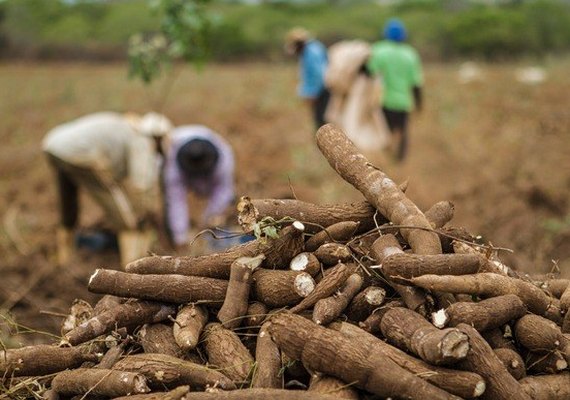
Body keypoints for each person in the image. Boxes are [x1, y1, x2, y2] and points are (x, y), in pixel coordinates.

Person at [43, 111, 172, 266]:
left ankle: (64, 259)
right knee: (125, 218)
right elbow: (142, 184)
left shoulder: (123, 127)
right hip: (81, 155)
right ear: (158, 137)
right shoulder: (141, 139)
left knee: (68, 204)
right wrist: (150, 212)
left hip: (53, 146)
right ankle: (131, 267)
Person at [162, 125, 235, 251]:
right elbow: (176, 201)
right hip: (178, 156)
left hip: (213, 163)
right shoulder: (172, 163)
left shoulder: (224, 158)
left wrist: (207, 221)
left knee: (219, 220)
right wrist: (180, 237)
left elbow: (223, 192)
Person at [367, 18, 423, 161]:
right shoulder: (411, 54)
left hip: (384, 101)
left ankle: (385, 162)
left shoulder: (378, 50)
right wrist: (419, 104)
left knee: (384, 134)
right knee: (402, 133)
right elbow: (416, 84)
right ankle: (400, 161)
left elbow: (369, 72)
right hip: (403, 102)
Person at [285, 27, 330, 129]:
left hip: (321, 91)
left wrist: (313, 94)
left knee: (322, 121)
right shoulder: (311, 49)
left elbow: (319, 75)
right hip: (321, 90)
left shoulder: (311, 53)